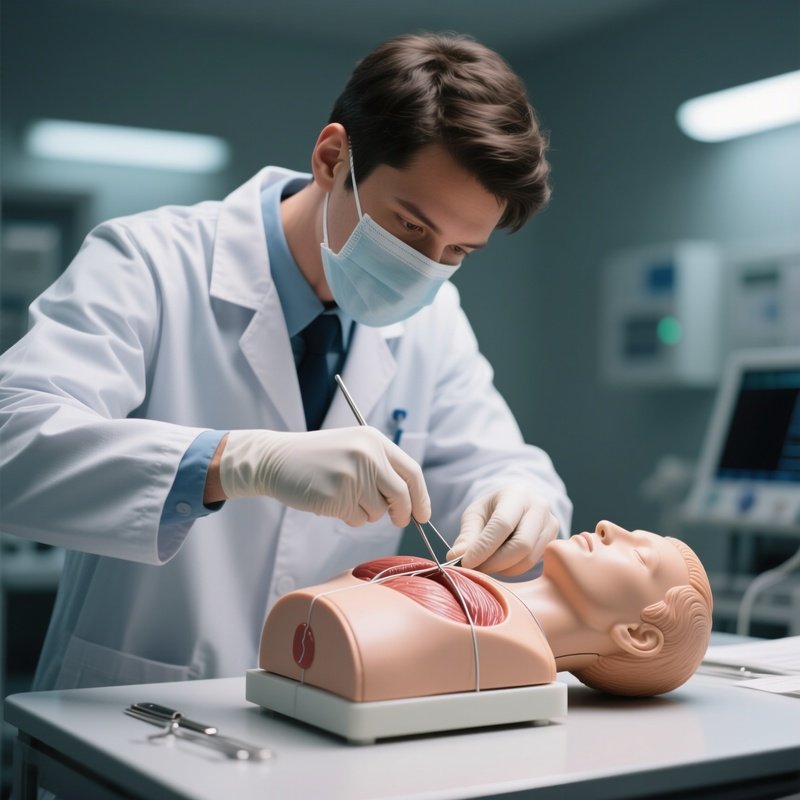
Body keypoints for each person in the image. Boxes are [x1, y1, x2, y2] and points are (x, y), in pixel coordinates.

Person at [0, 32, 571, 692]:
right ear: (333, 158)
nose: (424, 267)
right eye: (410, 227)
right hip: (132, 703)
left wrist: (522, 499)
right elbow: (13, 440)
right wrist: (235, 462)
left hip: (320, 710)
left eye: (456, 252)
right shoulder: (150, 261)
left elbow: (493, 462)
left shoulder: (434, 320)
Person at [259, 522, 713, 700]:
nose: (607, 526)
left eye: (638, 556)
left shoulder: (506, 647)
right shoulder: (472, 599)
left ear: (636, 635)